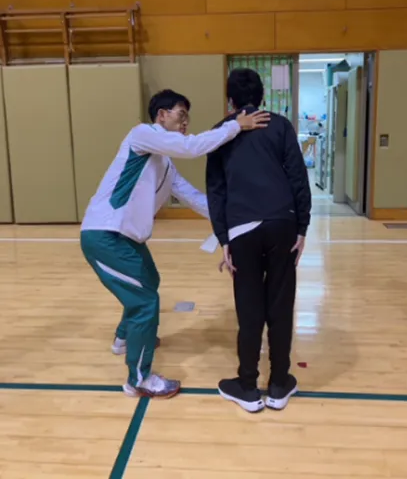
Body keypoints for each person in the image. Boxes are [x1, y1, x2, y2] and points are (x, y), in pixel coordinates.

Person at [80, 89, 270, 399]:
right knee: (145, 301)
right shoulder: (142, 134)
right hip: (104, 234)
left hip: (125, 237)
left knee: (149, 281)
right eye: (181, 116)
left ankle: (124, 338)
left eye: (187, 119)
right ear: (161, 115)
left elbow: (193, 198)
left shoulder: (164, 164)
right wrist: (236, 125)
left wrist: (235, 216)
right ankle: (138, 380)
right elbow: (192, 147)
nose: (185, 123)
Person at [206, 68, 311, 413]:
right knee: (280, 304)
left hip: (241, 229)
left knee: (249, 307)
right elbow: (298, 177)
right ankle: (279, 383)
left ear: (230, 99)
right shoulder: (280, 125)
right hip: (282, 223)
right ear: (262, 96)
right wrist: (302, 227)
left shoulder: (220, 132)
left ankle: (248, 386)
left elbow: (216, 191)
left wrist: (223, 238)